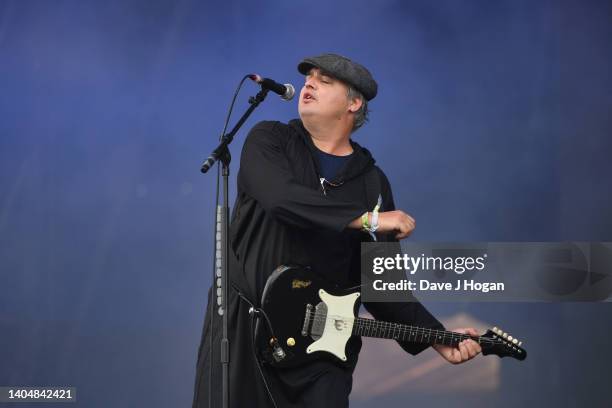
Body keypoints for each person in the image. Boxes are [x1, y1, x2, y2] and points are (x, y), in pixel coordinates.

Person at [193, 53, 481, 408]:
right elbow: (281, 199)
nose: (309, 84)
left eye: (325, 81)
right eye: (308, 78)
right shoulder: (269, 140)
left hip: (321, 357)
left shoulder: (372, 183)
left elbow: (384, 287)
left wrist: (439, 337)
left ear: (354, 103)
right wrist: (369, 220)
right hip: (247, 338)